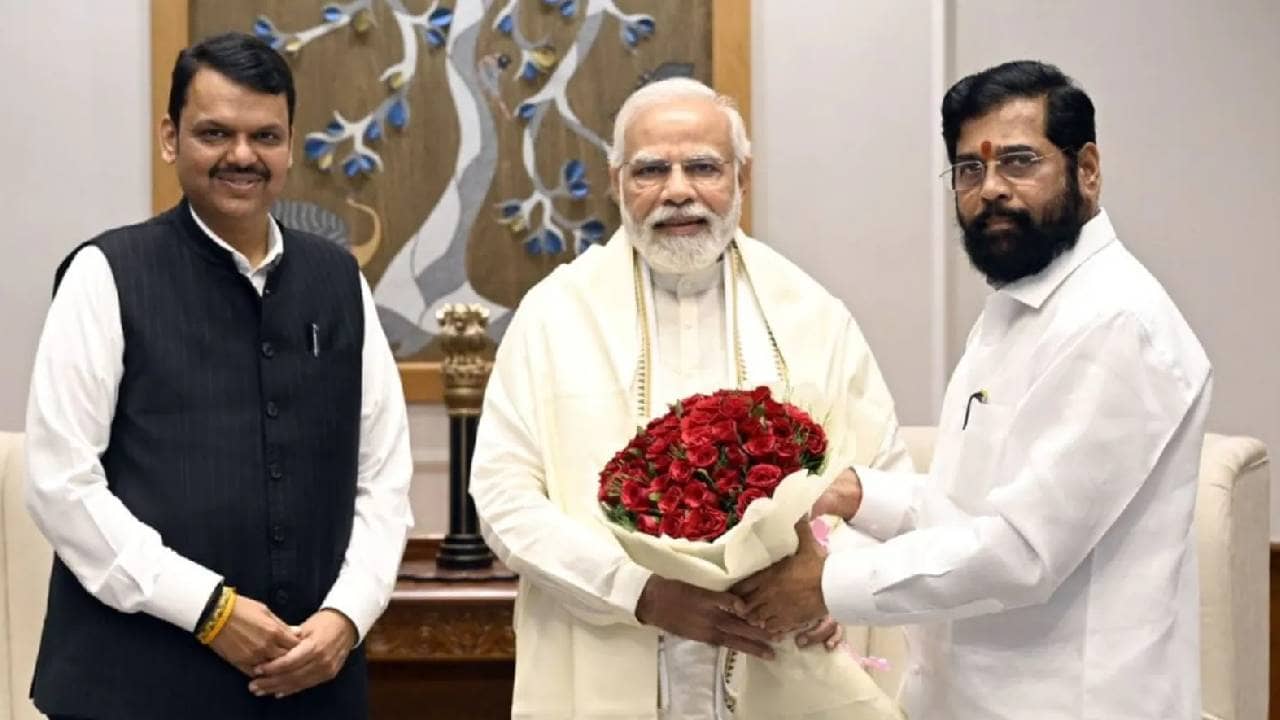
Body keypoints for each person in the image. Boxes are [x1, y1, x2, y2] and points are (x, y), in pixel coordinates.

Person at [736, 60, 1212, 720]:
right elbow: (970, 512)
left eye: (1019, 162)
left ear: (1087, 169)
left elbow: (1021, 552)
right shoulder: (1019, 308)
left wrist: (825, 584)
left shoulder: (1116, 322)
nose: (990, 189)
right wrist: (860, 492)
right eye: (969, 169)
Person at [469, 77, 912, 719]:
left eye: (703, 167)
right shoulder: (553, 317)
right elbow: (502, 498)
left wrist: (829, 582)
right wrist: (638, 592)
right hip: (607, 639)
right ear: (617, 181)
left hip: (780, 659)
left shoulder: (814, 315)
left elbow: (884, 479)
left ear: (742, 177)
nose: (678, 190)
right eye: (651, 170)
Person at [24, 32, 413, 720]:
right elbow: (61, 485)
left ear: (289, 146)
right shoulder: (104, 275)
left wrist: (347, 617)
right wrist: (209, 610)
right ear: (170, 138)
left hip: (313, 688)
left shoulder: (338, 280)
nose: (242, 155)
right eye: (214, 133)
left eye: (265, 136)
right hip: (134, 690)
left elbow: (383, 479)